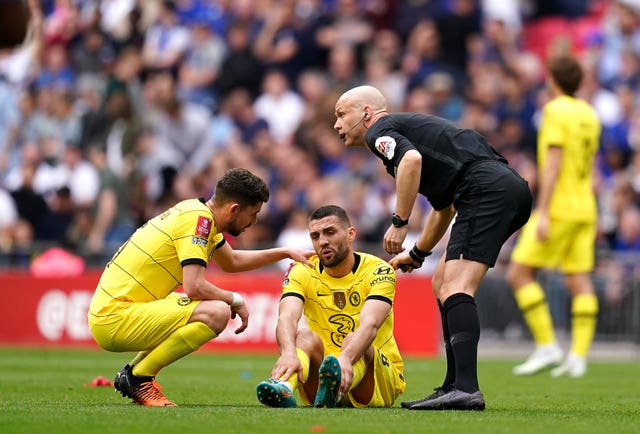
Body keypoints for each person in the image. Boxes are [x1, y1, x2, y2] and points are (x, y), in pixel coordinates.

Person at [333, 85, 532, 411]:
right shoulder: (409, 130)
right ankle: (454, 385)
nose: (337, 125)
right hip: (498, 188)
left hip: (485, 190)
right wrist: (418, 253)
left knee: (456, 286)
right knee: (442, 282)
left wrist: (400, 222)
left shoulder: (379, 132)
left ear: (366, 113)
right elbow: (443, 208)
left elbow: (410, 160)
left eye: (342, 115)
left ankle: (466, 389)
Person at [87, 168, 313, 407]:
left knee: (211, 307)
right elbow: (193, 286)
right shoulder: (199, 221)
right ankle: (138, 377)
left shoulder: (197, 213)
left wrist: (285, 252)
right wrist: (234, 299)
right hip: (113, 317)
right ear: (234, 209)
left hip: (122, 309)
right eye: (253, 214)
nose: (253, 222)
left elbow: (232, 261)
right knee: (217, 312)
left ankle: (134, 374)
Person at [506, 54, 601, 378]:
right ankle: (578, 357)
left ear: (552, 79)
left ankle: (547, 346)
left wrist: (543, 211)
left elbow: (555, 161)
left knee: (518, 273)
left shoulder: (555, 111)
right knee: (579, 278)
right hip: (585, 206)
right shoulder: (589, 113)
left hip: (559, 207)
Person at [256, 205, 406, 408]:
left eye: (330, 232)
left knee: (355, 338)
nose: (322, 241)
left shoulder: (379, 270)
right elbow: (286, 318)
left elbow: (370, 324)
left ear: (351, 234)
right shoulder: (302, 270)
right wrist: (288, 352)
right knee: (303, 336)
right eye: (315, 236)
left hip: (377, 379)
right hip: (322, 379)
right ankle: (284, 386)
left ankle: (336, 384)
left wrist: (345, 358)